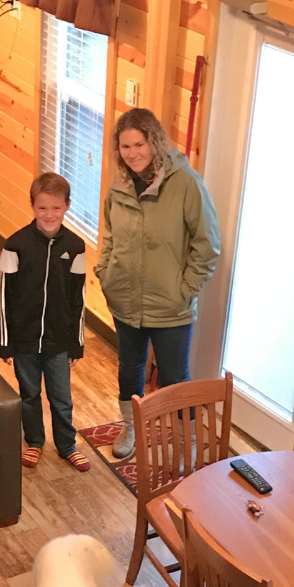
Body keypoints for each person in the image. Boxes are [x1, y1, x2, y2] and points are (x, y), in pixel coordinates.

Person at [94, 108, 221, 459]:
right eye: (125, 146)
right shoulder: (118, 185)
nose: (133, 153)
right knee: (129, 368)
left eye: (140, 144)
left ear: (155, 142)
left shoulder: (186, 183)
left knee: (175, 376)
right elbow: (108, 236)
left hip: (171, 304)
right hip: (125, 299)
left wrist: (185, 290)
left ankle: (186, 444)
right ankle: (131, 428)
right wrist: (106, 273)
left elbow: (207, 245)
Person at [0, 172, 90, 472]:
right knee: (30, 394)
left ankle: (67, 445)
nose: (49, 214)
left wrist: (76, 343)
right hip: (24, 341)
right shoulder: (15, 245)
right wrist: (5, 343)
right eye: (42, 208)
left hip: (58, 341)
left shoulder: (75, 247)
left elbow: (79, 299)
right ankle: (34, 442)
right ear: (33, 206)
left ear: (67, 207)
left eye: (56, 208)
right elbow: (2, 297)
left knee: (61, 397)